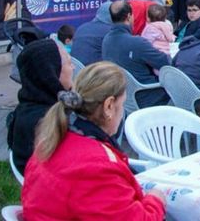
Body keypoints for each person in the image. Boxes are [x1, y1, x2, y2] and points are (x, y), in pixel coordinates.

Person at [21, 62, 167, 219]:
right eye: (122, 104)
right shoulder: (95, 167)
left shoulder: (56, 138)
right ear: (109, 106)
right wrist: (156, 200)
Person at [7, 38, 73, 175]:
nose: (73, 67)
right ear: (52, 72)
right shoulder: (45, 121)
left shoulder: (28, 105)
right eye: (69, 62)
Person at [101, 0, 171, 108]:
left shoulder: (106, 40)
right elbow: (166, 63)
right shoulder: (137, 43)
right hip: (148, 95)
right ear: (129, 16)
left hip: (121, 96)